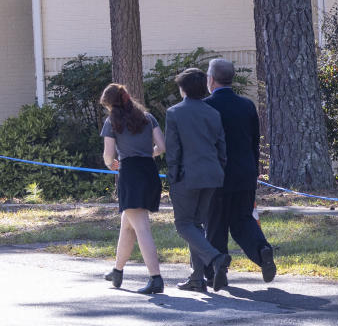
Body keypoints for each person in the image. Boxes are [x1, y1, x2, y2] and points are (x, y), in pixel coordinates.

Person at [202, 59, 275, 287]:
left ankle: (217, 268)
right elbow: (254, 142)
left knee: (215, 223)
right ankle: (262, 249)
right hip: (245, 173)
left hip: (216, 175)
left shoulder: (206, 107)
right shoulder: (247, 105)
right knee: (243, 219)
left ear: (211, 79)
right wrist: (254, 169)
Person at [165, 67, 231, 293]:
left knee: (183, 224)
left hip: (186, 175)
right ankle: (196, 277)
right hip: (212, 175)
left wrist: (172, 176)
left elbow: (173, 150)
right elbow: (221, 147)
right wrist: (218, 169)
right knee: (197, 225)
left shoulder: (174, 113)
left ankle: (215, 258)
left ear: (182, 89)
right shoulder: (213, 113)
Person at [100, 83, 166, 295]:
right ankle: (117, 271)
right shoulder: (148, 117)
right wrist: (148, 153)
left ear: (111, 105)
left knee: (141, 228)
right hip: (149, 171)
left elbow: (109, 156)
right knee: (127, 226)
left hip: (130, 173)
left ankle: (156, 278)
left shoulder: (111, 122)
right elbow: (162, 147)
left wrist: (111, 164)